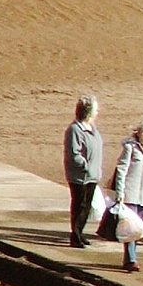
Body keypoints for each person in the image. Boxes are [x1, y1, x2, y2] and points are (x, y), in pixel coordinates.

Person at [113, 119, 143, 272]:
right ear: (138, 133)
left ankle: (130, 258)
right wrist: (120, 193)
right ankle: (131, 259)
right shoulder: (130, 148)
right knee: (131, 229)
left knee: (139, 229)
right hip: (130, 194)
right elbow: (121, 170)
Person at [63, 94, 103, 248]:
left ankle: (80, 233)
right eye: (95, 109)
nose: (97, 111)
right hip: (79, 176)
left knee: (87, 206)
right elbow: (74, 154)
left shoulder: (93, 129)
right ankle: (76, 235)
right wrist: (85, 166)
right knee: (79, 205)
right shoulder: (74, 129)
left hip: (92, 175)